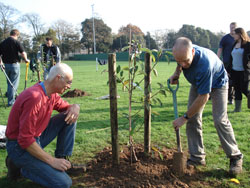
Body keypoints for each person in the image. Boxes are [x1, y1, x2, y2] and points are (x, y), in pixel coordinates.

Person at [169, 37, 243, 175]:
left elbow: (204, 97)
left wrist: (183, 118)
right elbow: (180, 62)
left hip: (218, 84)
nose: (183, 64)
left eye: (186, 61)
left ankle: (235, 156)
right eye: (179, 61)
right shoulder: (183, 52)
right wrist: (177, 73)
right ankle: (197, 157)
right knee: (193, 118)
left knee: (219, 120)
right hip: (199, 83)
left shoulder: (204, 64)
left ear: (192, 51)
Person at [5, 63, 80, 188]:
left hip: (35, 137)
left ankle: (63, 161)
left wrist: (75, 107)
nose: (69, 86)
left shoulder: (51, 93)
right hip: (19, 145)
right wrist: (52, 161)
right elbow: (25, 140)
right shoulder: (34, 97)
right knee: (63, 183)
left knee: (70, 116)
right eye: (68, 82)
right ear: (58, 78)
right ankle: (23, 169)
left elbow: (66, 108)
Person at [0, 29, 29, 106]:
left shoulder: (3, 43)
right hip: (15, 65)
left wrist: (1, 63)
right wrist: (26, 60)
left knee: (9, 83)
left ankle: (10, 99)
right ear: (17, 35)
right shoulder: (16, 42)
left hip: (6, 65)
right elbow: (23, 53)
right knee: (13, 84)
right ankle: (11, 102)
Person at [228, 27, 250, 112]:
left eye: (235, 34)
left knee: (244, 89)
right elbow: (231, 58)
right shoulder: (234, 44)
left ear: (240, 34)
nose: (233, 36)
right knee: (237, 89)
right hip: (234, 71)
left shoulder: (248, 45)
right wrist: (229, 70)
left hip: (244, 72)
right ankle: (237, 109)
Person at [217, 22, 237, 105]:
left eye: (234, 28)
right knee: (227, 80)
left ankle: (235, 96)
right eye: (231, 27)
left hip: (236, 62)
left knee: (235, 80)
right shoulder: (225, 38)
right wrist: (217, 59)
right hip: (227, 62)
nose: (232, 29)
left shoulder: (238, 38)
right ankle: (230, 98)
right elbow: (220, 49)